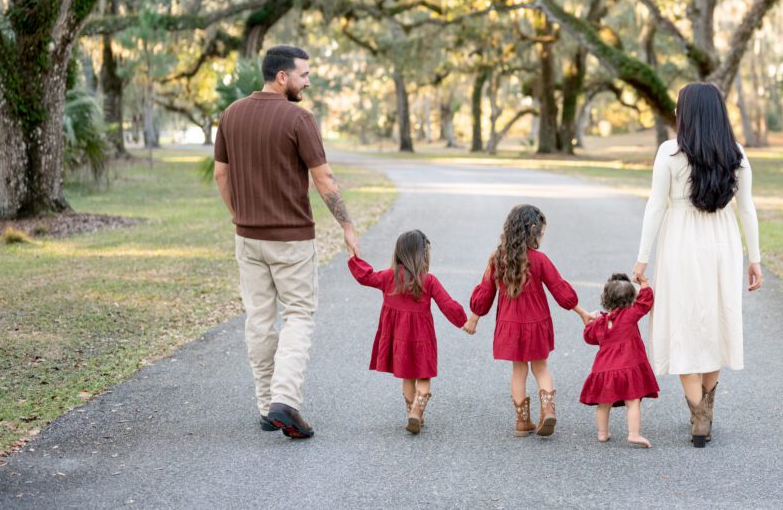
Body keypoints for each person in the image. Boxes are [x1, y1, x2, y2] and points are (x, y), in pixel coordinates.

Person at [213, 44, 360, 439]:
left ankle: (266, 408)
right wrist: (346, 225)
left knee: (259, 320)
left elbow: (221, 176)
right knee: (297, 315)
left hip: (248, 238)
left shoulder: (231, 115)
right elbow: (324, 179)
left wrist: (237, 214)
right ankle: (284, 401)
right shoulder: (299, 118)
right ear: (282, 77)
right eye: (304, 75)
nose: (308, 82)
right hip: (291, 240)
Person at [631, 82, 762, 448]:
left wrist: (642, 257)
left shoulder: (669, 152)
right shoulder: (735, 153)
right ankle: (705, 408)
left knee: (684, 323)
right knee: (716, 321)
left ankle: (698, 413)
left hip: (681, 244)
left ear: (685, 114)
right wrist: (755, 259)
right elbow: (747, 209)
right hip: (723, 244)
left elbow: (655, 206)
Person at [464, 204, 594, 437]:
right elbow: (560, 289)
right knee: (541, 367)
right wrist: (582, 312)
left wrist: (474, 318)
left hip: (510, 325)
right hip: (537, 323)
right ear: (534, 233)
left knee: (518, 370)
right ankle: (548, 409)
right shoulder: (540, 259)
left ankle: (522, 422)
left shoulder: (496, 260)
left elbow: (485, 293)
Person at [347, 230, 470, 434]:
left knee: (407, 377)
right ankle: (417, 411)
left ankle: (412, 412)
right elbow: (447, 304)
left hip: (399, 340)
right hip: (423, 339)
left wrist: (353, 258)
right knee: (423, 377)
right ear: (423, 256)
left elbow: (365, 277)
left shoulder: (388, 277)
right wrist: (463, 321)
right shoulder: (428, 280)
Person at [579, 273, 659, 448]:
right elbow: (646, 302)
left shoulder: (600, 322)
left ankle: (602, 433)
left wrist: (589, 322)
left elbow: (589, 337)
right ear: (631, 299)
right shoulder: (630, 314)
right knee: (633, 401)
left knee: (603, 404)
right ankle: (634, 434)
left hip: (604, 371)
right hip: (628, 368)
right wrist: (644, 283)